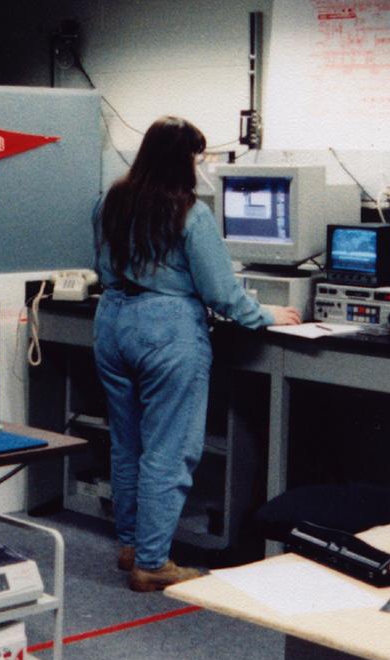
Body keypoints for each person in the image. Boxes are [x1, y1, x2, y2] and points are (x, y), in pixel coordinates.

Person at [93, 116, 300, 592]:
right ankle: (152, 563)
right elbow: (221, 294)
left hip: (112, 321)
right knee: (168, 451)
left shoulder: (108, 201)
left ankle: (131, 545)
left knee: (127, 444)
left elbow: (103, 263)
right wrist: (265, 315)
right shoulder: (189, 213)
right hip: (166, 330)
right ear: (184, 160)